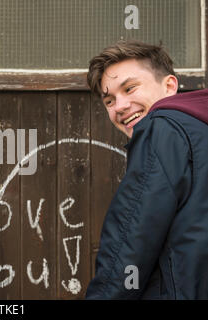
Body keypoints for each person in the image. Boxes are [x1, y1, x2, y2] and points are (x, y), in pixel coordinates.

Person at [85, 40, 208, 299]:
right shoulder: (199, 129)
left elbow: (130, 243)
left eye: (130, 88)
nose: (119, 106)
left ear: (169, 86)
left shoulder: (161, 127)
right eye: (109, 100)